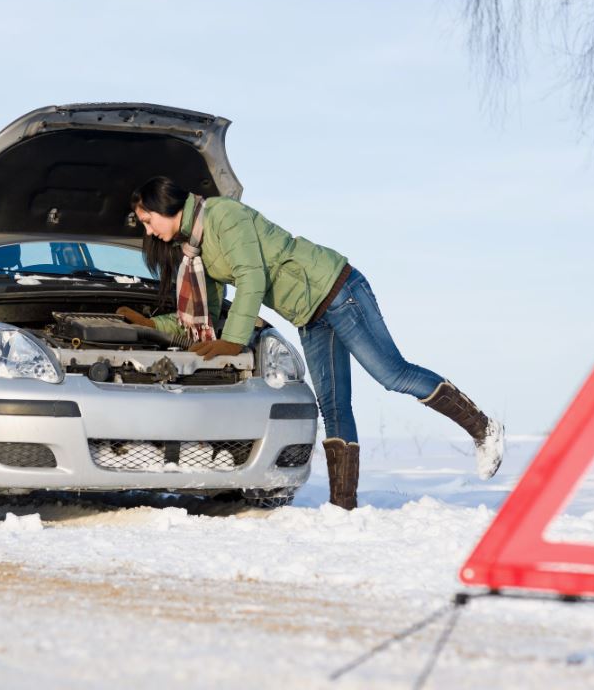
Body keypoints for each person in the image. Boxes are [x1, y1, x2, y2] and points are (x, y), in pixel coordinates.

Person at [116, 176, 504, 509]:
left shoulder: (223, 216)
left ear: (164, 206)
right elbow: (209, 312)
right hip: (310, 314)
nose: (148, 230)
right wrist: (152, 324)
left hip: (337, 289)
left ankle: (483, 428)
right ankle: (343, 507)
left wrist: (234, 342)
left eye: (148, 221)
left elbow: (252, 278)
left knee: (391, 373)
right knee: (333, 405)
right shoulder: (196, 250)